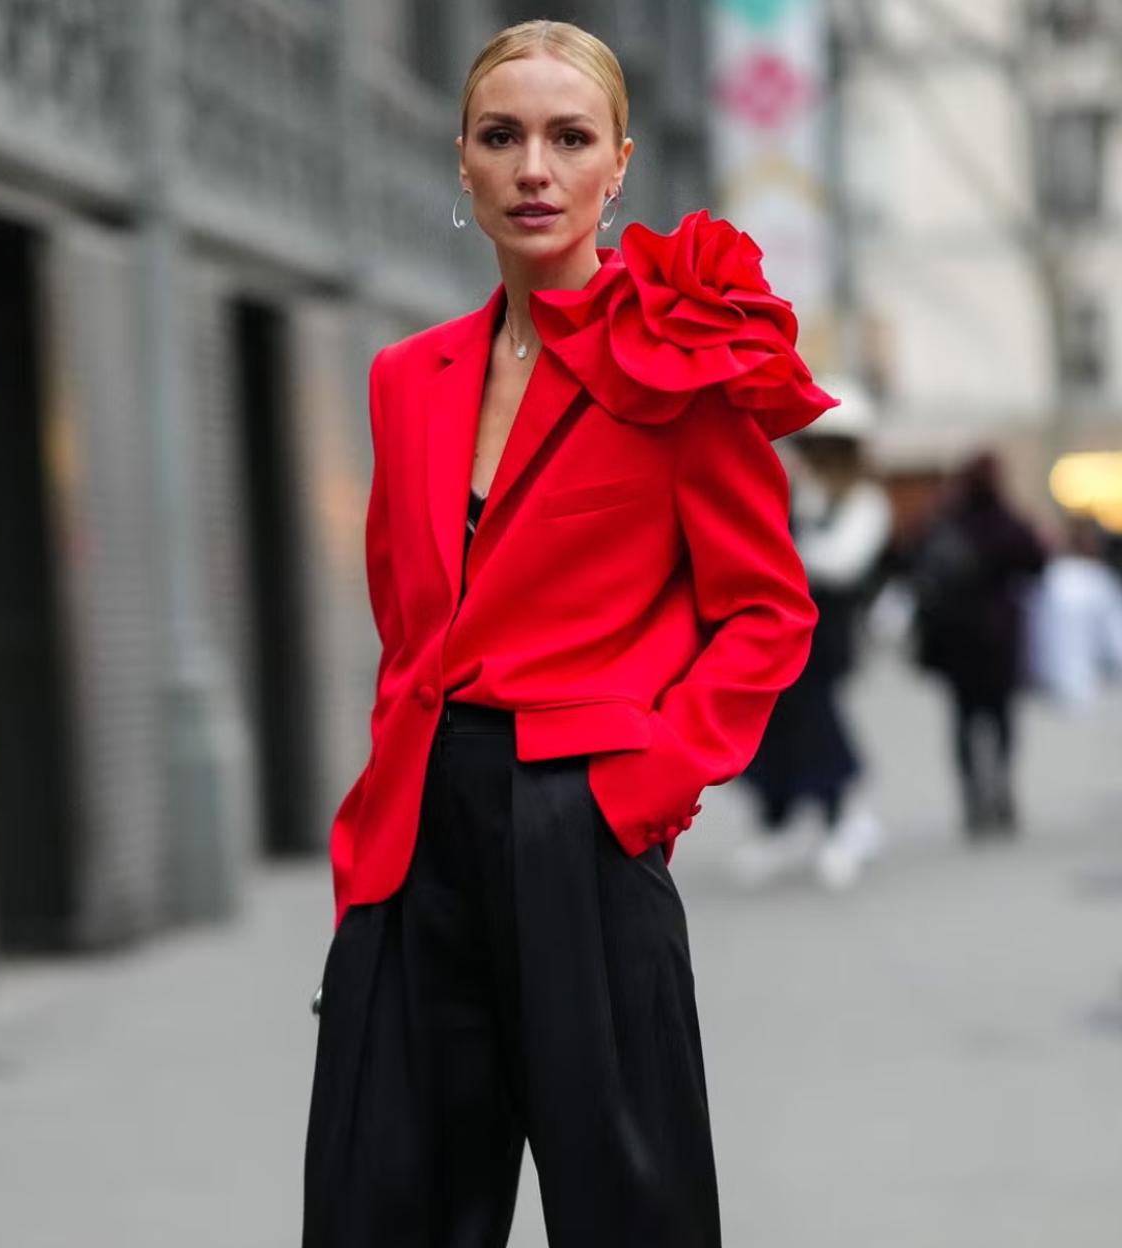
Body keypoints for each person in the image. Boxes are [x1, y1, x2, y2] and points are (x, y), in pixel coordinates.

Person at [301, 20, 835, 1248]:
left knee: (627, 1211)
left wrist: (641, 786)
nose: (533, 166)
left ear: (618, 168)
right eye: (503, 137)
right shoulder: (405, 379)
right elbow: (406, 626)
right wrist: (373, 835)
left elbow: (767, 610)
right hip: (413, 843)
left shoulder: (680, 371)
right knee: (381, 1207)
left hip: (581, 823)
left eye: (567, 137)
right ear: (464, 167)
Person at [736, 377, 892, 889]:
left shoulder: (864, 502)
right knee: (771, 730)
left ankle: (842, 819)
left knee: (819, 724)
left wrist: (786, 550)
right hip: (776, 635)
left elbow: (841, 564)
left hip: (824, 638)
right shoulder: (796, 492)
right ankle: (776, 821)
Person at [909, 452, 1046, 836]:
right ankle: (1000, 790)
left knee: (964, 721)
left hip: (956, 639)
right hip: (998, 637)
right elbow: (1036, 563)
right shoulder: (1007, 520)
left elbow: (913, 563)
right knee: (1001, 720)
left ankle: (973, 798)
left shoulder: (944, 521)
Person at [1027, 513, 1122, 710]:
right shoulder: (1094, 580)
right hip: (1084, 688)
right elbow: (1115, 639)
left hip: (1044, 685)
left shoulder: (1050, 578)